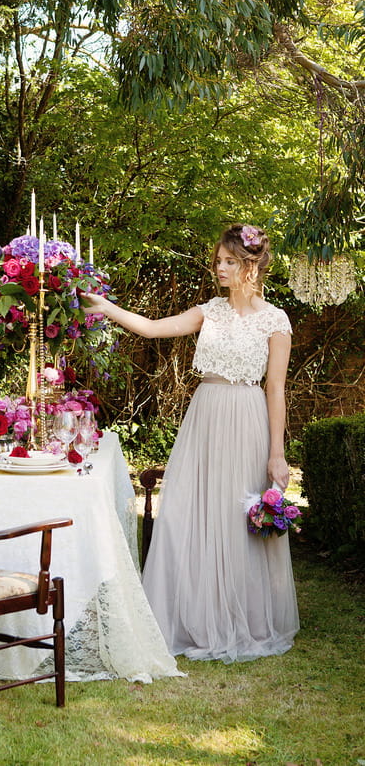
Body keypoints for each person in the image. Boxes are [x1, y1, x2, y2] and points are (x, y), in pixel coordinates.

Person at [82, 223, 299, 663]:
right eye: (218, 261)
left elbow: (276, 389)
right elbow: (151, 328)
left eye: (229, 261)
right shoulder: (209, 312)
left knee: (239, 520)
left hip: (248, 419)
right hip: (205, 417)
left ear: (251, 265)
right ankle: (194, 616)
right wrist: (105, 306)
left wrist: (277, 453)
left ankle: (244, 620)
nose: (219, 268)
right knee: (193, 512)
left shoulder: (275, 320)